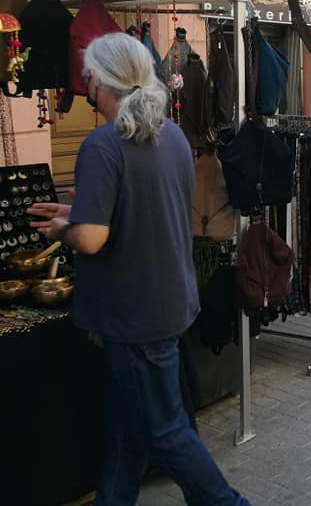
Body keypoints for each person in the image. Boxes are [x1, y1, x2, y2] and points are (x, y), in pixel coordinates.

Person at [28, 34, 249, 506]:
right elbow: (148, 203)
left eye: (87, 74)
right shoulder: (169, 135)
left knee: (166, 431)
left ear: (97, 81)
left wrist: (64, 230)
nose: (85, 81)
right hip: (168, 299)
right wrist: (83, 206)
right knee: (131, 429)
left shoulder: (103, 143)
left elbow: (92, 238)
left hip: (134, 313)